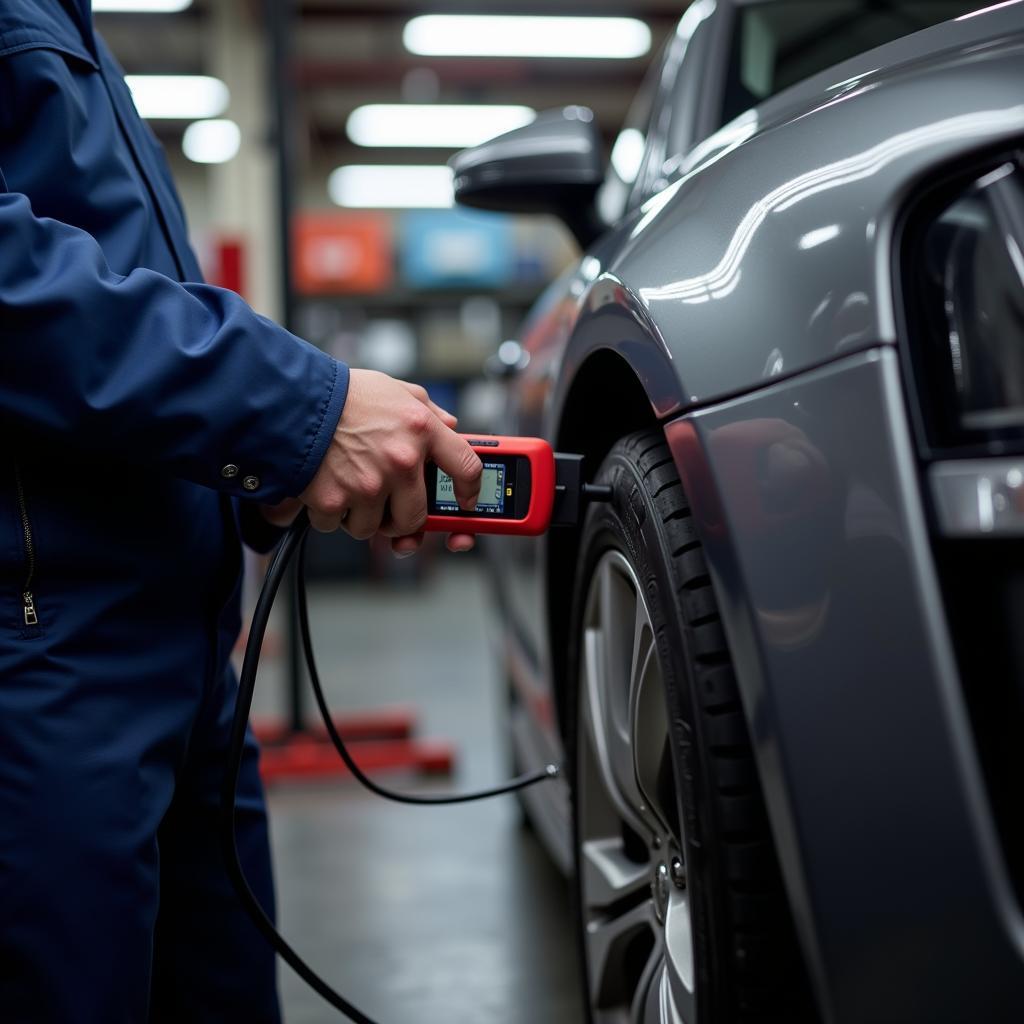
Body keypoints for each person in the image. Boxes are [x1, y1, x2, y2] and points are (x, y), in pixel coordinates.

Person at [0, 1, 482, 1021]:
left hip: (183, 655)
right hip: (40, 659)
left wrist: (266, 472)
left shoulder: (66, 20)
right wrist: (294, 410)